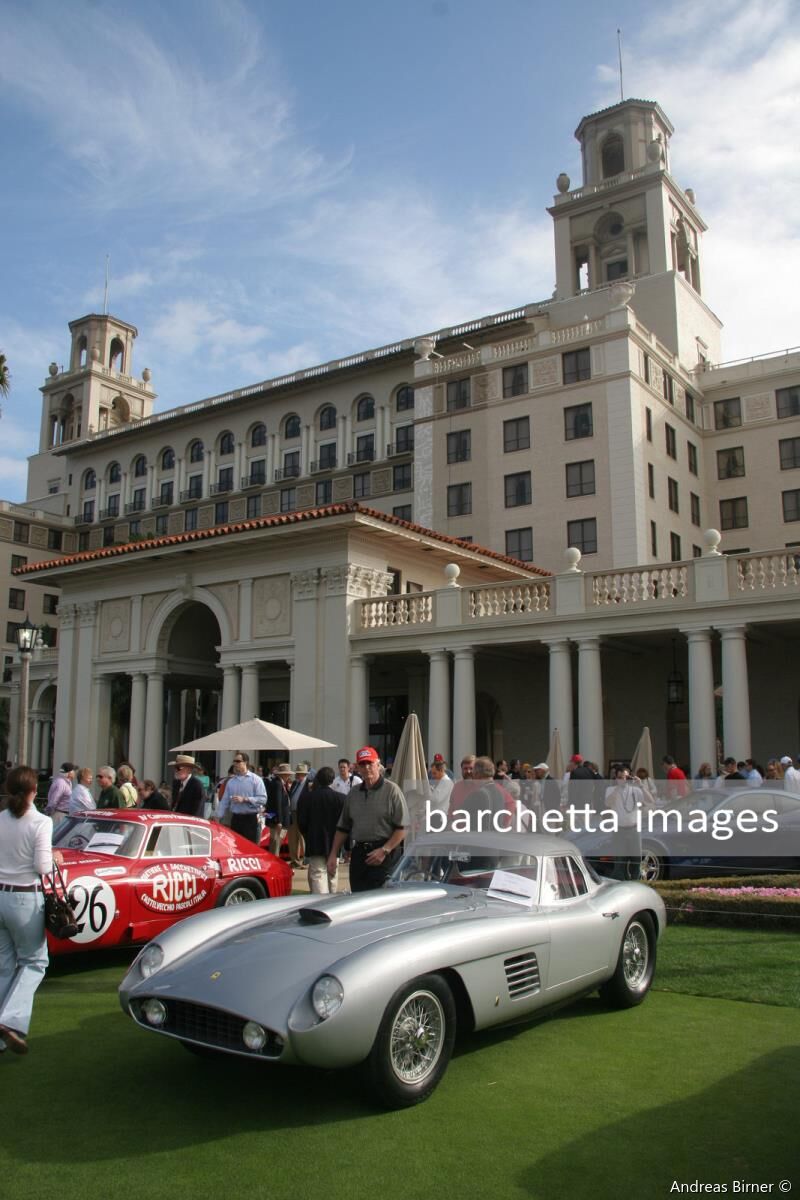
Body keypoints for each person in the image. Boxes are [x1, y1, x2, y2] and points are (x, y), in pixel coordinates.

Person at [0, 765, 61, 1054]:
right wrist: (54, 857)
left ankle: (3, 1029)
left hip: (0, 894)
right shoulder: (41, 822)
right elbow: (42, 867)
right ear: (34, 792)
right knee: (35, 962)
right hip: (24, 897)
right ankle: (9, 1020)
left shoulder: (0, 819)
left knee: (3, 967)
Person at [327, 746, 408, 892]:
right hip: (359, 853)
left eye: (370, 763)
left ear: (378, 764)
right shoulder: (353, 794)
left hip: (384, 854)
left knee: (381, 902)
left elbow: (402, 828)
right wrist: (333, 854)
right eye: (363, 764)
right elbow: (343, 827)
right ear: (357, 768)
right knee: (358, 900)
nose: (367, 768)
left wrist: (384, 850)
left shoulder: (392, 790)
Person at [297, 766, 343, 894]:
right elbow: (345, 824)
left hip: (314, 839)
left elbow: (301, 822)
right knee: (332, 872)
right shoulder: (341, 799)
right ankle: (331, 899)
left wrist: (307, 835)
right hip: (335, 840)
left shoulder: (306, 798)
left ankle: (321, 902)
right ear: (332, 780)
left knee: (318, 874)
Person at [603, 766, 644, 880]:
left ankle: (636, 883)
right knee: (619, 861)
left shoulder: (635, 790)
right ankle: (621, 883)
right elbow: (607, 803)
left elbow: (649, 799)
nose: (622, 780)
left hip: (634, 828)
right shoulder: (611, 790)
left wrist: (640, 785)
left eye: (625, 777)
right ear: (616, 778)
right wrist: (617, 788)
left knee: (636, 861)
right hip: (619, 829)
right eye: (620, 777)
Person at [217, 752, 267, 844]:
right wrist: (218, 816)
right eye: (234, 761)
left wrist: (245, 799)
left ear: (245, 762)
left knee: (249, 847)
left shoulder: (256, 780)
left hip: (250, 819)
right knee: (236, 847)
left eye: (238, 761)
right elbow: (224, 801)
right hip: (235, 819)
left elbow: (263, 799)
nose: (235, 764)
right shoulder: (231, 782)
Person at [264, 764, 292, 855]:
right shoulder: (277, 784)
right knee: (276, 842)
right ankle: (274, 861)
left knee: (276, 842)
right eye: (287, 774)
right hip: (278, 820)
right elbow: (277, 803)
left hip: (280, 819)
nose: (289, 776)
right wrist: (279, 821)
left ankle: (274, 859)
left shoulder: (281, 784)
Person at [287, 764, 309, 867]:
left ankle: (305, 860)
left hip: (303, 813)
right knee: (292, 837)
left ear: (304, 774)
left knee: (302, 837)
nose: (297, 776)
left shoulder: (309, 784)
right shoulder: (295, 783)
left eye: (300, 774)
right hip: (293, 812)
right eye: (297, 774)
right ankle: (294, 860)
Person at [45, 762, 77, 827]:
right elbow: (54, 800)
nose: (75, 773)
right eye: (73, 771)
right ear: (69, 773)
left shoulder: (68, 782)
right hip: (59, 815)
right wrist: (50, 813)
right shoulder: (61, 783)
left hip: (64, 814)